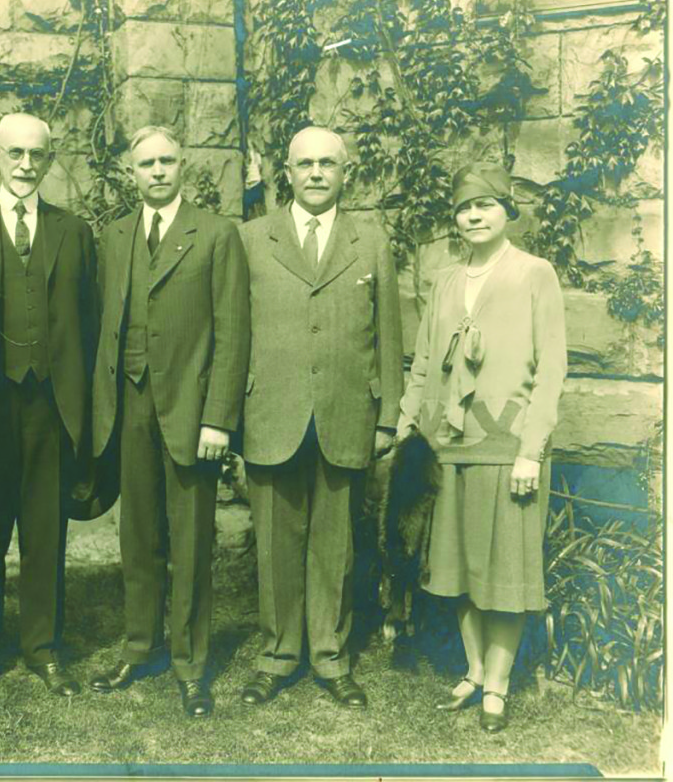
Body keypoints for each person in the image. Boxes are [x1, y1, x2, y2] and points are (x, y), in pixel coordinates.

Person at [236, 125, 404, 708]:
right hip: (271, 412)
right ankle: (278, 655)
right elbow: (235, 333)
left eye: (327, 164)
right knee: (276, 544)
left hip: (344, 410)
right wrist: (232, 413)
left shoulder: (371, 240)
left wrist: (387, 415)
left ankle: (331, 658)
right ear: (286, 172)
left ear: (345, 172)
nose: (315, 174)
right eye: (304, 164)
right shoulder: (253, 238)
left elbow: (389, 335)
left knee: (335, 543)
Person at [396, 161, 567, 732]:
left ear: (506, 211)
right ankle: (472, 669)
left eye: (485, 205)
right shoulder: (445, 279)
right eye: (464, 207)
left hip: (508, 443)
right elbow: (423, 362)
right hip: (449, 444)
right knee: (459, 568)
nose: (473, 215)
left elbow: (552, 369)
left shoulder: (534, 273)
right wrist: (405, 426)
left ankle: (498, 682)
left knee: (504, 570)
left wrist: (530, 450)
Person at [0, 113, 99, 700]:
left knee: (45, 529)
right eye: (15, 153)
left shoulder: (74, 232)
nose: (26, 165)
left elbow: (92, 324)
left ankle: (43, 647)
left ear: (50, 160)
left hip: (50, 405)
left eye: (38, 154)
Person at [89, 126, 250, 718]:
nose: (157, 171)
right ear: (131, 173)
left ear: (183, 166)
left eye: (166, 161)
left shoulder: (214, 234)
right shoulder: (115, 236)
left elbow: (233, 332)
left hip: (190, 411)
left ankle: (191, 664)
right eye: (145, 164)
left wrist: (219, 419)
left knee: (189, 541)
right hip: (130, 407)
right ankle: (141, 646)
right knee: (138, 538)